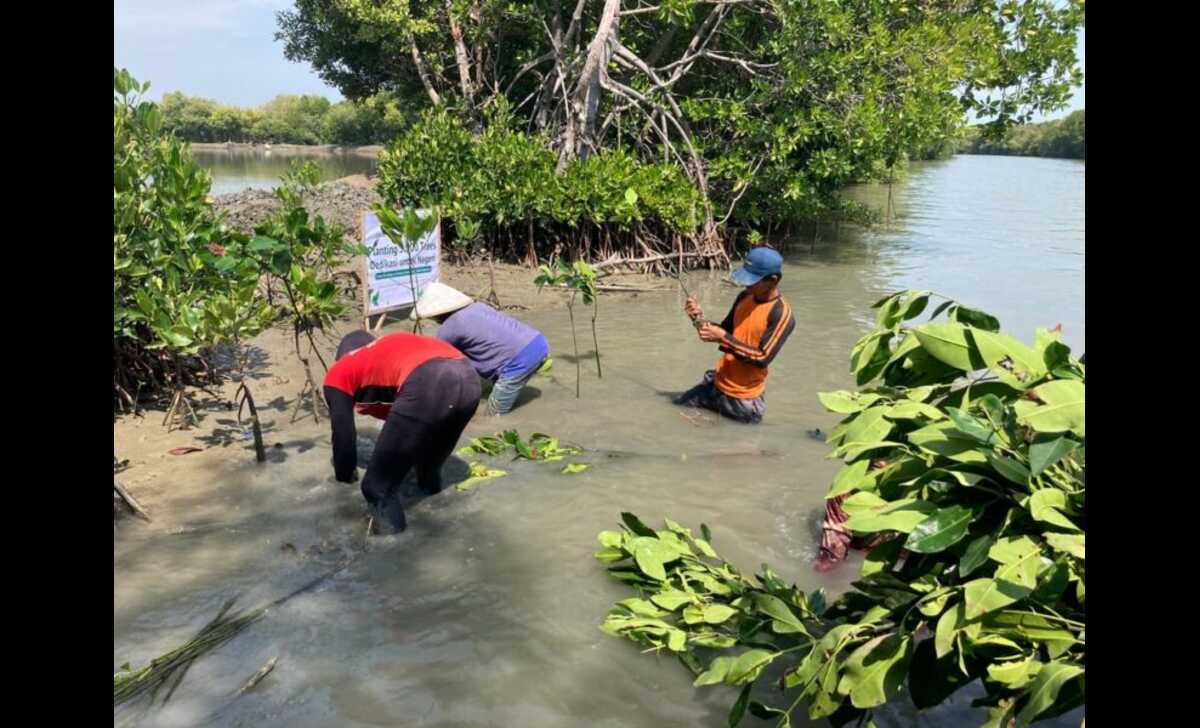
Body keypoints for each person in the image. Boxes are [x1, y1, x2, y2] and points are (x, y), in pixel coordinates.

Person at [323, 330, 481, 533]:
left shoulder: (340, 370)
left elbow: (344, 438)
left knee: (376, 488)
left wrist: (344, 479)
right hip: (469, 379)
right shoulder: (387, 349)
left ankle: (393, 555)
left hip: (429, 381)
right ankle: (437, 533)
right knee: (427, 470)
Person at [674, 247, 795, 424]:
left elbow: (762, 357)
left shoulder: (782, 314)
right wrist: (697, 317)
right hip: (716, 384)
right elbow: (724, 331)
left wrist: (723, 336)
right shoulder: (744, 297)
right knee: (675, 409)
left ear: (773, 280)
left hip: (743, 400)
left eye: (753, 281)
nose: (747, 284)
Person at [413, 282, 550, 415]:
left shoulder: (448, 329)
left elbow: (434, 363)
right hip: (538, 342)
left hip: (519, 361)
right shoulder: (477, 306)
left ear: (434, 314)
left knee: (493, 416)